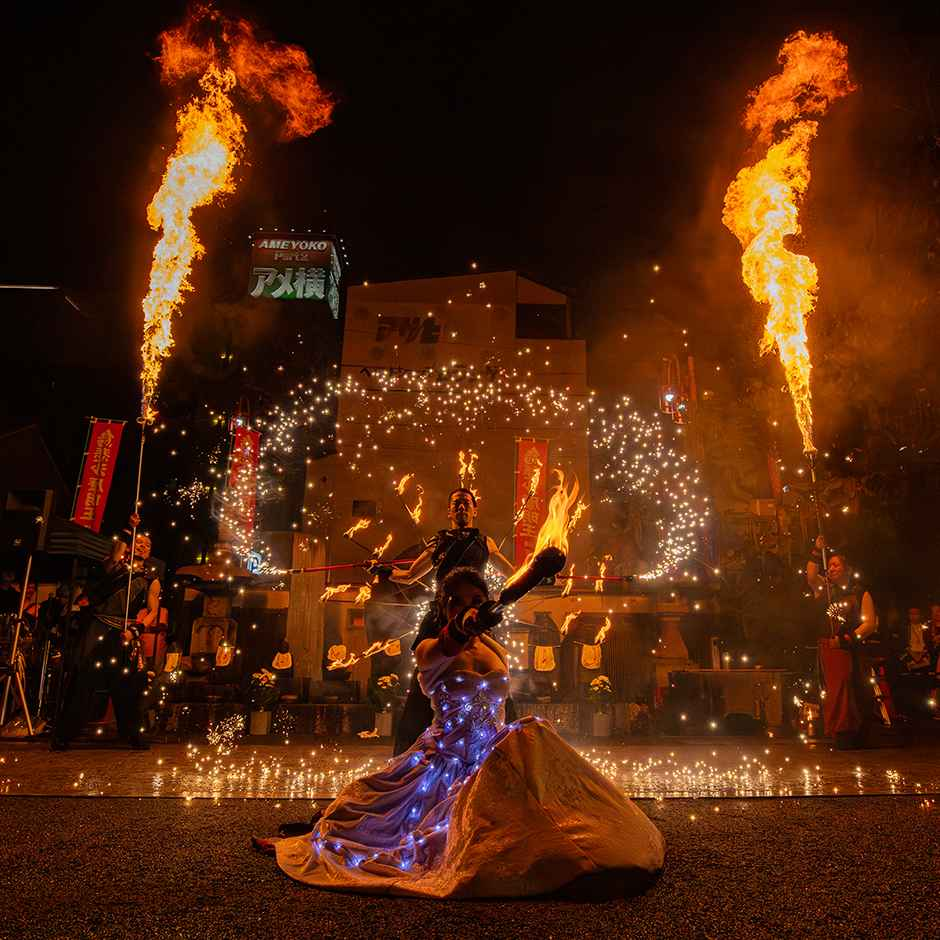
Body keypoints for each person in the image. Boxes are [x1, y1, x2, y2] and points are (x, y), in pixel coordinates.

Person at [260, 567, 664, 898]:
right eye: (455, 601)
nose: (465, 608)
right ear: (443, 606)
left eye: (474, 601)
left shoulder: (496, 648)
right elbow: (449, 644)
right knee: (365, 817)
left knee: (537, 748)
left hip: (495, 758)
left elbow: (500, 702)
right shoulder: (429, 649)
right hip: (445, 762)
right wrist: (466, 620)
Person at [375, 488, 516, 755]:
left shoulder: (486, 543)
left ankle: (499, 751)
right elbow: (409, 576)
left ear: (475, 510)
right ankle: (414, 754)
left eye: (466, 503)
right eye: (456, 504)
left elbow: (513, 573)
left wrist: (540, 576)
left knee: (495, 677)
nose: (462, 508)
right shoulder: (437, 543)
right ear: (450, 511)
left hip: (477, 617)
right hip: (442, 615)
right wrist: (386, 570)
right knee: (424, 684)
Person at [52, 515, 158, 750]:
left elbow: (152, 612)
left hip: (127, 632)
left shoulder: (151, 579)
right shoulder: (115, 566)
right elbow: (115, 554)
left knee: (130, 683)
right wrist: (129, 531)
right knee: (84, 678)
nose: (142, 546)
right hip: (99, 628)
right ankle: (65, 734)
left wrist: (135, 631)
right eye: (138, 542)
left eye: (146, 544)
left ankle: (131, 734)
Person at [806, 536, 878, 748]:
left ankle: (853, 730)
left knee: (852, 688)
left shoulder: (860, 593)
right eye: (830, 565)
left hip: (851, 649)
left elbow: (869, 624)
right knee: (835, 690)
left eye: (836, 564)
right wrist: (817, 551)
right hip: (830, 648)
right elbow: (811, 575)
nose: (832, 568)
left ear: (847, 568)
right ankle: (839, 730)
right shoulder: (826, 590)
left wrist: (846, 640)